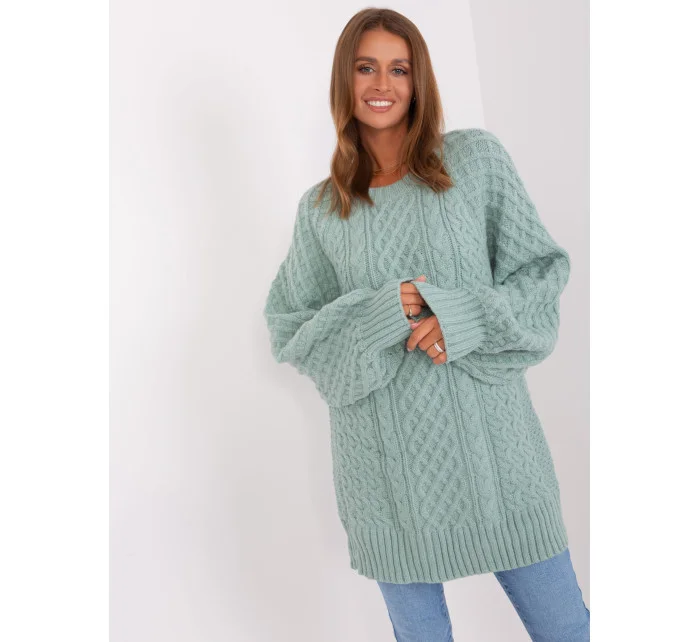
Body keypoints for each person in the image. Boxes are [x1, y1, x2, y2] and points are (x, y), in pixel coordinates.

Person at [263, 8, 589, 642]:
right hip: (386, 478)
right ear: (344, 78)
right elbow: (292, 331)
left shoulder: (475, 160)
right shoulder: (322, 209)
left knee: (566, 628)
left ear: (419, 81)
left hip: (499, 461)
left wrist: (461, 315)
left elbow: (541, 275)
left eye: (399, 69)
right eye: (366, 67)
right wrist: (384, 312)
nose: (382, 84)